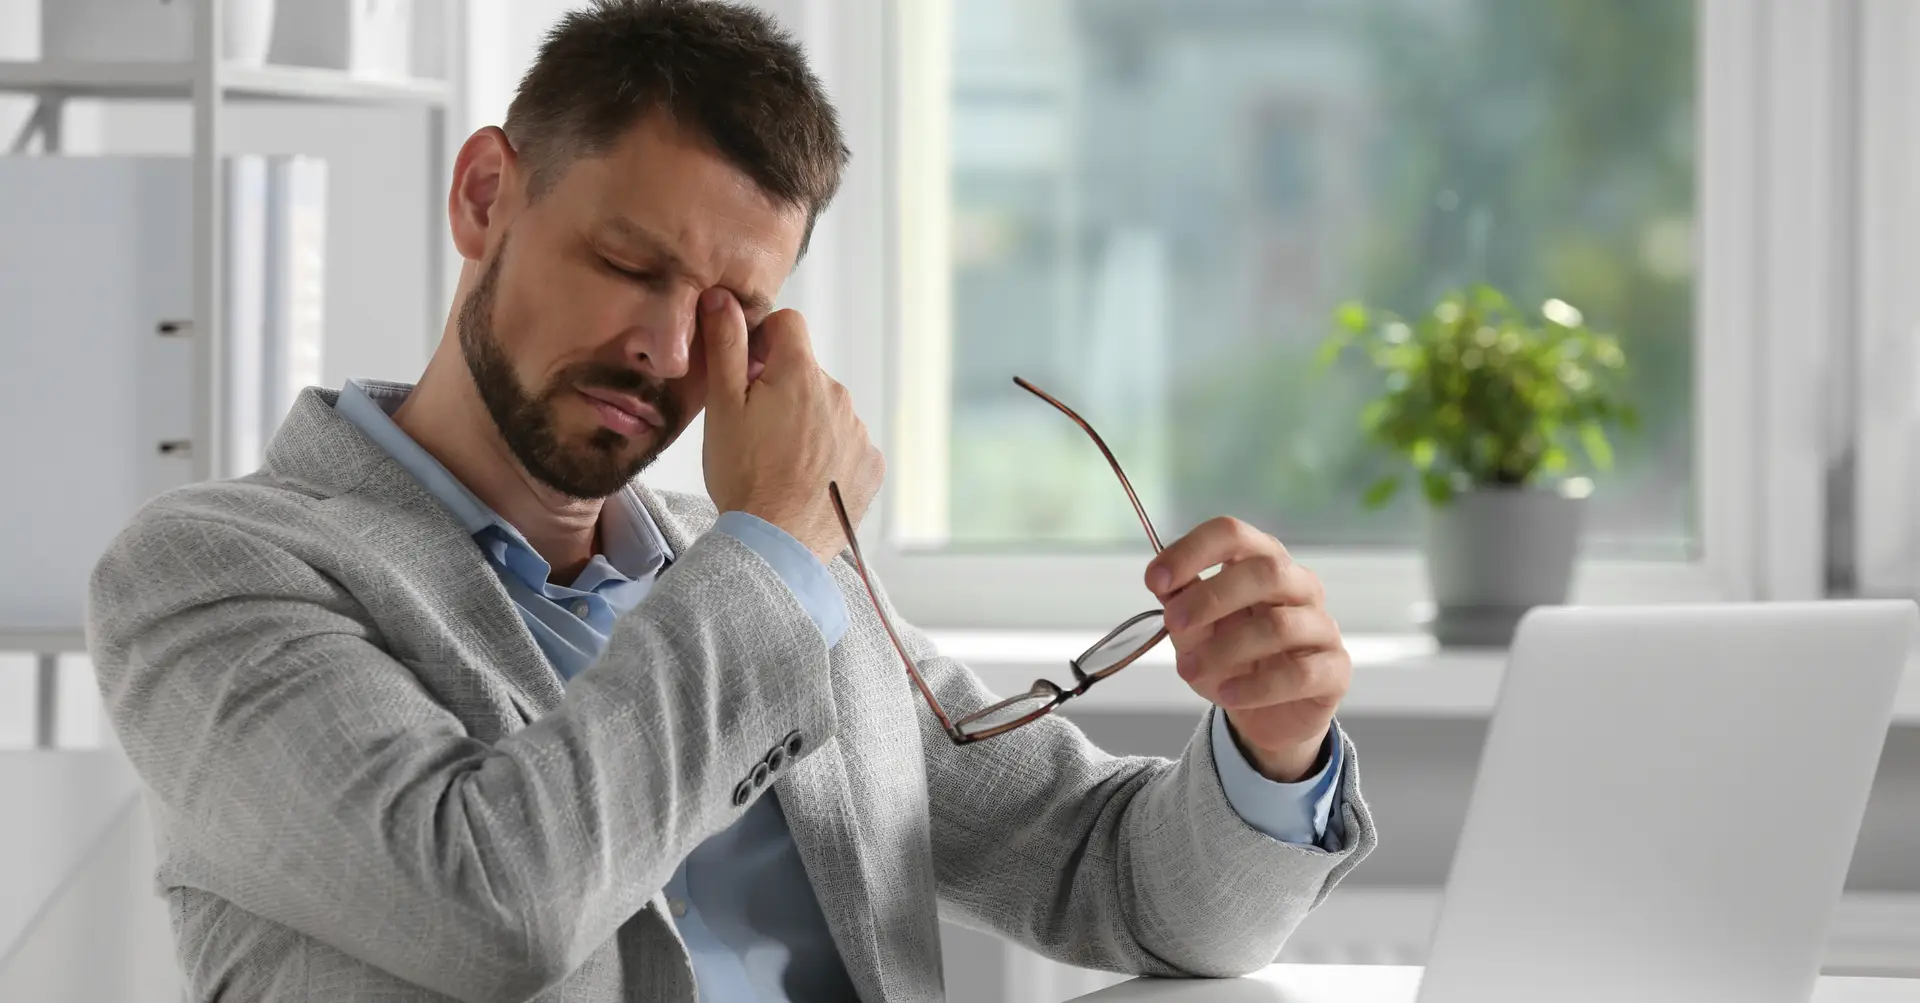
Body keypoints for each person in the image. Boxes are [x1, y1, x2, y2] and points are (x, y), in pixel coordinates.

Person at [86, 2, 1376, 1000]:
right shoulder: (211, 572)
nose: (663, 348)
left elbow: (1127, 886)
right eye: (625, 263)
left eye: (727, 311)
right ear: (487, 197)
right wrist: (769, 553)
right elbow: (487, 907)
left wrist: (1276, 747)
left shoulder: (766, 574)